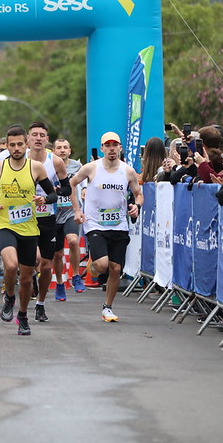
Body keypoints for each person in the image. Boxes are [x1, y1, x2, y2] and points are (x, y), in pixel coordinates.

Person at [0, 125, 59, 335]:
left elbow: (53, 195)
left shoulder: (36, 168)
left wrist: (44, 198)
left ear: (26, 144)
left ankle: (22, 315)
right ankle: (9, 298)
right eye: (12, 145)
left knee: (26, 278)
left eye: (19, 144)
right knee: (11, 265)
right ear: (8, 145)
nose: (16, 148)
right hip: (5, 224)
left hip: (29, 228)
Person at [70, 131, 143, 322]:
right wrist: (77, 210)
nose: (111, 149)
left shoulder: (128, 171)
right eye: (107, 145)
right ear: (102, 148)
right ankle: (94, 267)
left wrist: (137, 206)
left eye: (115, 145)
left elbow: (138, 193)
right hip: (95, 225)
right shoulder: (91, 168)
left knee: (116, 269)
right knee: (103, 265)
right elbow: (72, 183)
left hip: (119, 226)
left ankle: (107, 307)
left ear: (120, 147)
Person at [52, 137, 85, 297]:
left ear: (70, 151)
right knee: (57, 254)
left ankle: (76, 275)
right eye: (59, 147)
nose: (62, 150)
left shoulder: (77, 166)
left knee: (72, 241)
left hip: (71, 211)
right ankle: (59, 283)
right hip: (53, 213)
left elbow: (85, 183)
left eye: (65, 147)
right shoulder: (49, 166)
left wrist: (85, 191)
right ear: (54, 151)